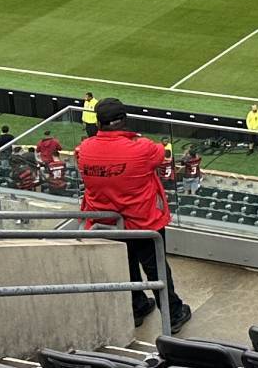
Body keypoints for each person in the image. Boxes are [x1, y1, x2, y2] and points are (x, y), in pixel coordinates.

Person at [76, 97, 191, 329]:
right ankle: (173, 314)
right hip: (143, 222)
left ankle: (136, 307)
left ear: (98, 123)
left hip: (105, 221)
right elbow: (161, 153)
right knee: (156, 268)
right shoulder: (141, 148)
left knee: (125, 266)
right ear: (124, 121)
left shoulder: (85, 148)